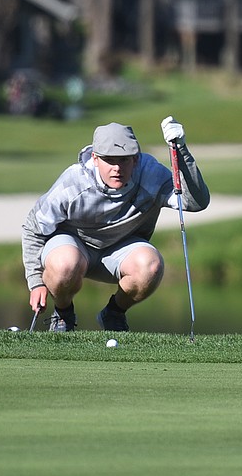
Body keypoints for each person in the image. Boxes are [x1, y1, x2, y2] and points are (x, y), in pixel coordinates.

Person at [21, 117, 210, 332]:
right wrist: (36, 282)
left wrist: (181, 151)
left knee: (151, 265)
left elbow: (195, 203)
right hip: (73, 246)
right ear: (95, 158)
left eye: (124, 160)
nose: (117, 168)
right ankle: (64, 314)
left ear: (136, 159)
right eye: (109, 160)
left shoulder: (150, 174)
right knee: (65, 264)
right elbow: (33, 229)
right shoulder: (74, 182)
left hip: (121, 249)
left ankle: (114, 314)